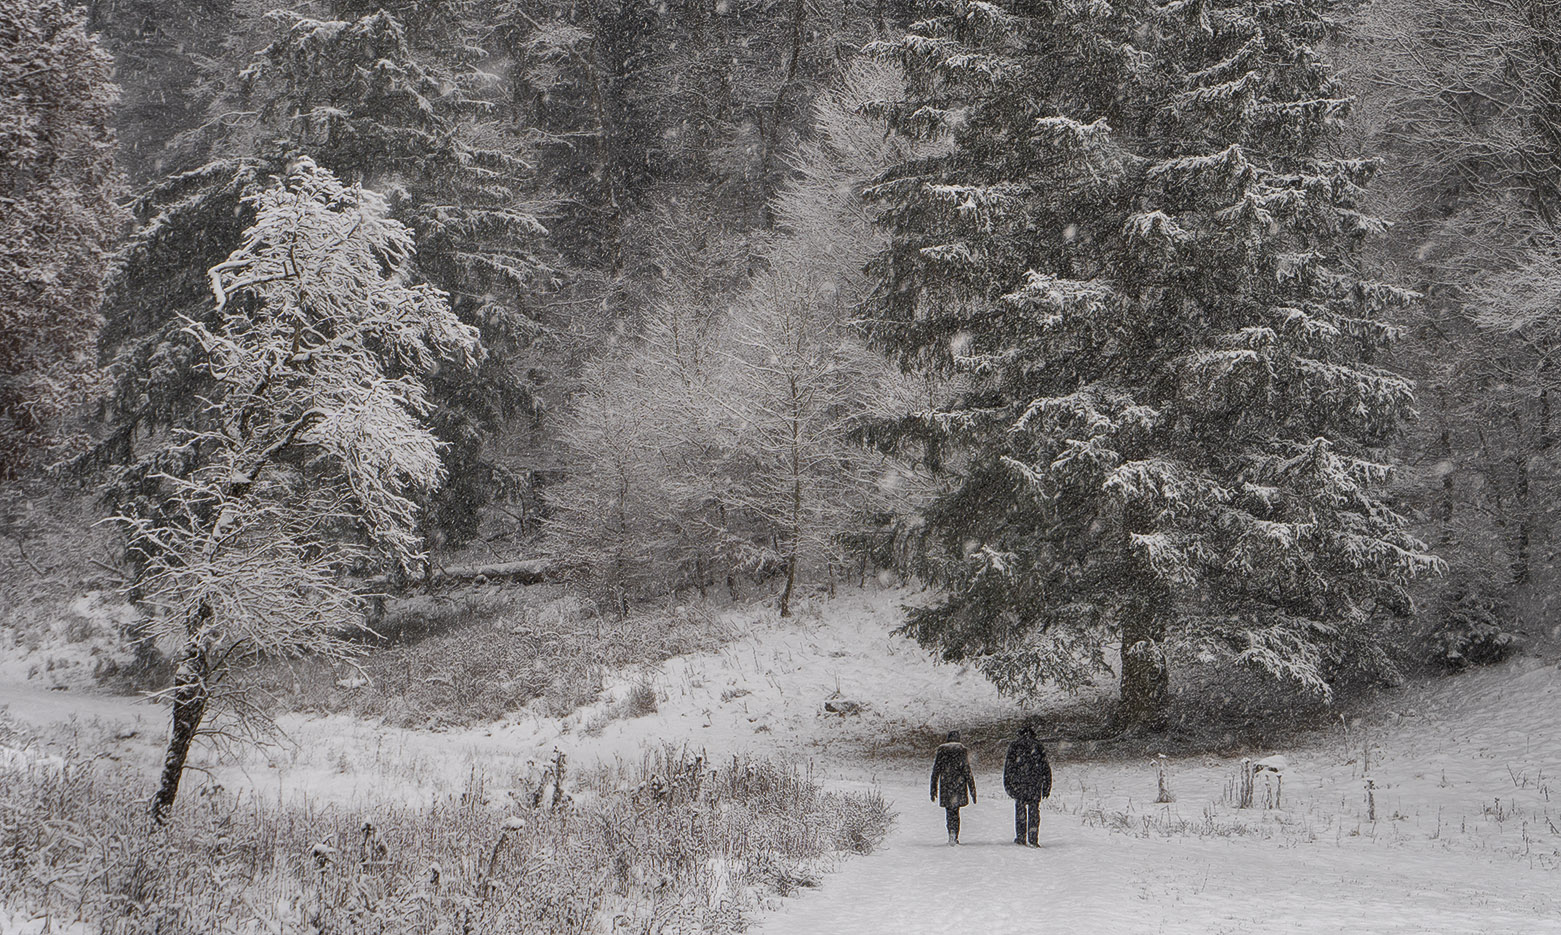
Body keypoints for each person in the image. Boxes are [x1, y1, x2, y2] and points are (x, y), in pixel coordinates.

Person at [1003, 723, 1052, 846]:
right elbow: (1046, 767)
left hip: (1019, 784)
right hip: (1035, 783)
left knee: (1020, 810)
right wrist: (1046, 785)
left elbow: (1008, 767)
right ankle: (1033, 838)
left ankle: (1020, 837)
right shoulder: (1038, 746)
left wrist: (1008, 784)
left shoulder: (1014, 746)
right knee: (1034, 810)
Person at [930, 730, 976, 845]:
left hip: (946, 785)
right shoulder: (962, 751)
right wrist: (972, 790)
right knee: (956, 811)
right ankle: (955, 834)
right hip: (959, 786)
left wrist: (933, 788)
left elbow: (936, 771)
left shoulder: (942, 751)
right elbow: (967, 771)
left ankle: (951, 831)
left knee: (949, 811)